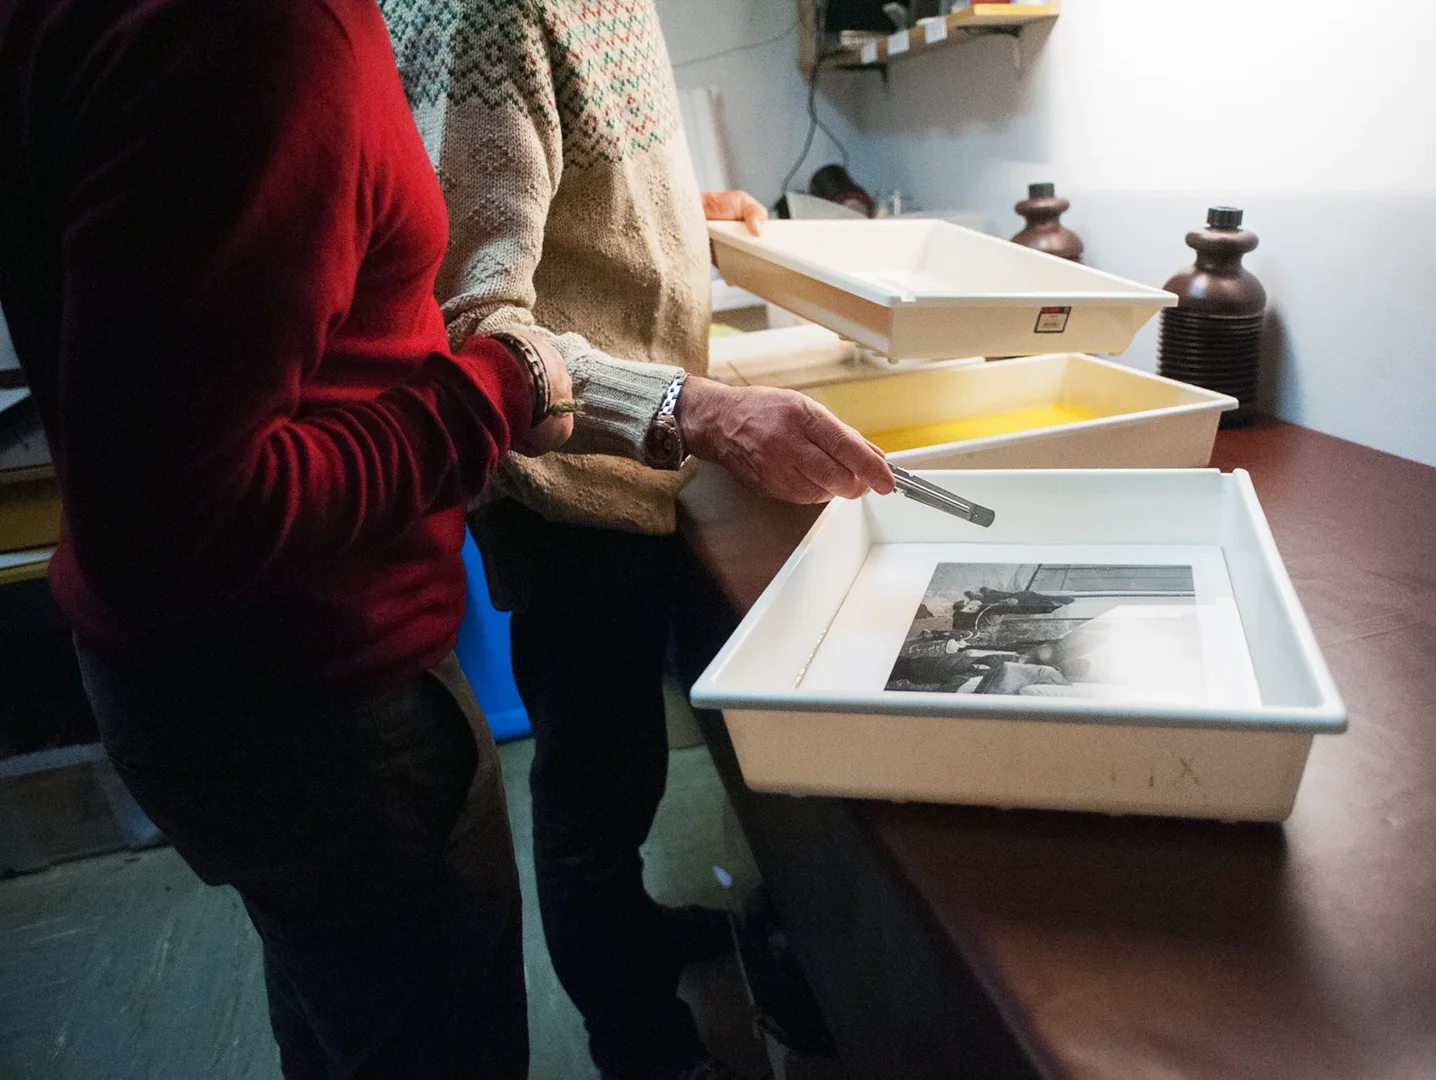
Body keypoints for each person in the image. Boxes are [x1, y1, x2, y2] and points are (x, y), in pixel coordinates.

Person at [0, 2, 890, 1077]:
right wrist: (506, 396)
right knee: (496, 927)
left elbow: (245, 260)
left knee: (342, 1001)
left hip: (223, 678)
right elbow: (190, 508)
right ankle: (641, 1039)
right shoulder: (268, 33)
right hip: (317, 691)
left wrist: (664, 221)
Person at [382, 6, 881, 1079]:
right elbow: (470, 318)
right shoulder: (489, 11)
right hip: (567, 477)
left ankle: (639, 938)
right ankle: (639, 1041)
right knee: (592, 800)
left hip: (642, 451)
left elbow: (550, 197)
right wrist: (699, 412)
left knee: (631, 766)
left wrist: (675, 219)